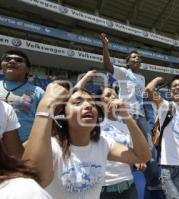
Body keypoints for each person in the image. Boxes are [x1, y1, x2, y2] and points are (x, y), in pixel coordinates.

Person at [22, 77, 151, 199]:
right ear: (63, 114)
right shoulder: (51, 146)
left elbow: (143, 156)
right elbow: (33, 180)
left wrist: (126, 116)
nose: (88, 106)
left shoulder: (103, 144)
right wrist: (46, 106)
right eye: (78, 102)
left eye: (91, 103)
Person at [100, 33, 161, 191]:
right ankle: (126, 180)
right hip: (126, 115)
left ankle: (153, 182)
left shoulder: (141, 78)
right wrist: (105, 48)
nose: (136, 59)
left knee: (149, 148)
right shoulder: (123, 72)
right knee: (126, 145)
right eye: (133, 57)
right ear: (128, 61)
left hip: (140, 116)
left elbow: (142, 97)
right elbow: (107, 66)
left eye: (138, 57)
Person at [75, 70, 145, 199]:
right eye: (108, 95)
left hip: (128, 186)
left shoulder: (125, 124)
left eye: (115, 95)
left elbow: (135, 152)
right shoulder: (93, 124)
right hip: (104, 190)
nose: (113, 97)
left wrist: (137, 162)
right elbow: (72, 97)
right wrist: (85, 78)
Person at [0, 50, 44, 142]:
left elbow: (44, 122)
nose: (12, 61)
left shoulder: (38, 91)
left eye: (19, 60)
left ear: (28, 69)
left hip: (23, 146)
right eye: (7, 59)